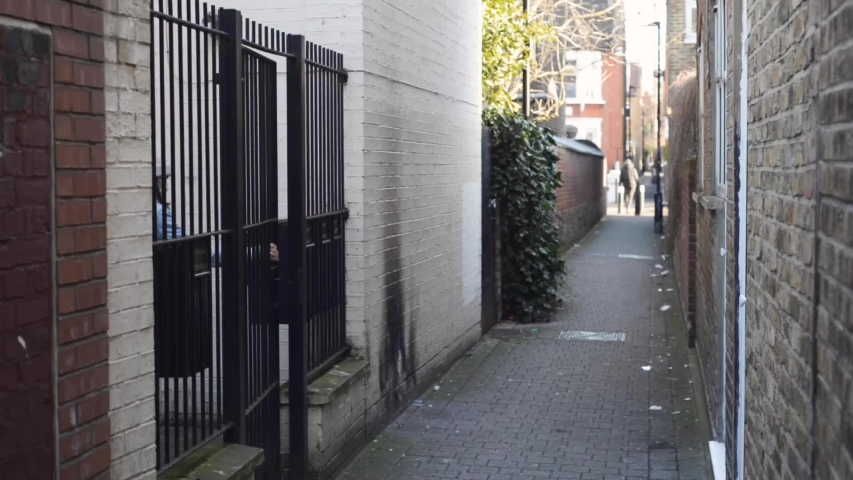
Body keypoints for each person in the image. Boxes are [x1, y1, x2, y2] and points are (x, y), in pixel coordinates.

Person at [154, 163, 279, 263]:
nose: (165, 185)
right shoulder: (158, 213)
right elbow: (191, 252)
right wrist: (254, 253)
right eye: (163, 179)